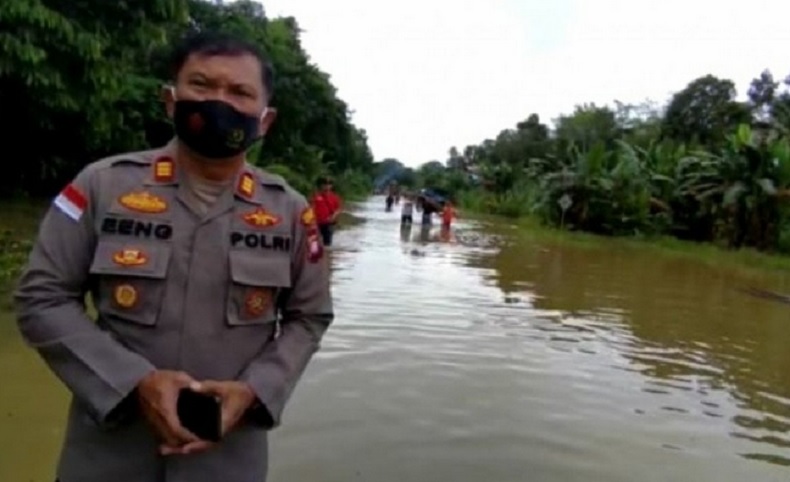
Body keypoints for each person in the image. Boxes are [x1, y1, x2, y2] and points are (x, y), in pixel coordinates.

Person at [13, 30, 333, 482]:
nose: (218, 102)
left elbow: (310, 316)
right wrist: (131, 383)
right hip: (106, 457)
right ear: (170, 100)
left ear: (265, 120)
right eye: (201, 85)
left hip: (227, 460)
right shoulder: (101, 186)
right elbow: (41, 298)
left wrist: (256, 391)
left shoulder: (289, 211)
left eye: (240, 92)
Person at [311, 177, 341, 247]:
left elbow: (338, 209)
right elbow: (311, 207)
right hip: (316, 223)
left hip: (328, 224)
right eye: (325, 184)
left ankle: (327, 256)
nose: (327, 186)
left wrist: (333, 216)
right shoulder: (316, 196)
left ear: (331, 186)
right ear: (321, 185)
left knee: (327, 244)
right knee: (314, 243)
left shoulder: (335, 197)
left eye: (329, 184)